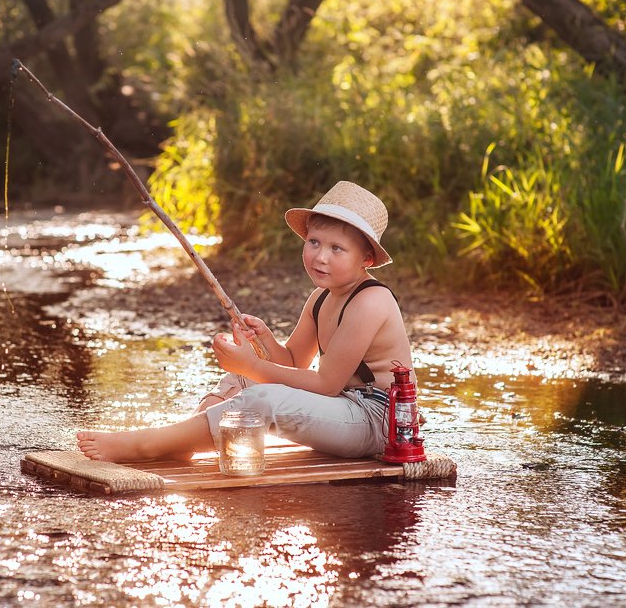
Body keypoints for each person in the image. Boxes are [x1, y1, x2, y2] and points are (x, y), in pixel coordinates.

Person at [77, 180, 415, 463]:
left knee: (263, 397)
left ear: (366, 258)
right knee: (239, 379)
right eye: (314, 242)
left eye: (336, 249)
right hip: (343, 407)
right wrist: (265, 343)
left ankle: (149, 444)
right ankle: (183, 442)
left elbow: (326, 383)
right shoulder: (322, 298)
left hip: (380, 423)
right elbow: (295, 363)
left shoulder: (371, 300)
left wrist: (255, 365)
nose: (320, 256)